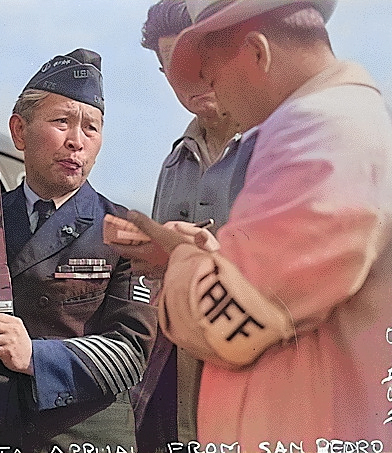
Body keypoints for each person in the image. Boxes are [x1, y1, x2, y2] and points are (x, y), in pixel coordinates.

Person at [113, 0, 392, 450]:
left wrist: (179, 257)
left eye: (211, 75)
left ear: (257, 53)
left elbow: (224, 320)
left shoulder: (323, 137)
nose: (209, 92)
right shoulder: (325, 127)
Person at [0, 49, 156, 452]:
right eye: (61, 122)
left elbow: (130, 352)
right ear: (19, 131)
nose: (76, 142)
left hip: (79, 435)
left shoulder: (123, 231)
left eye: (92, 128)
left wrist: (34, 355)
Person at [131, 1, 240, 450]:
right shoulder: (175, 161)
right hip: (179, 383)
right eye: (172, 66)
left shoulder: (287, 147)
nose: (189, 78)